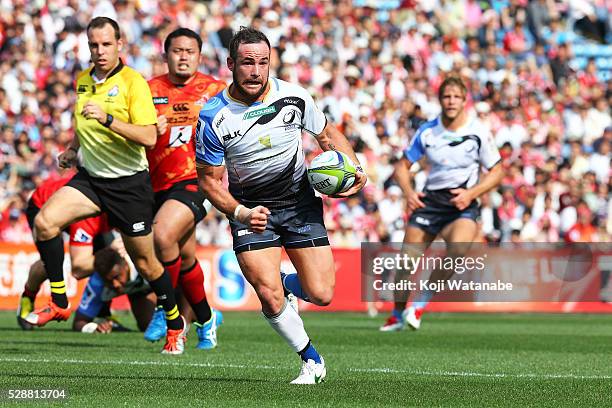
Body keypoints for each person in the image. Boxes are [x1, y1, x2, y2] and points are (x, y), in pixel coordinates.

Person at [196, 27, 366, 384]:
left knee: (321, 294)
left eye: (263, 62)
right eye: (247, 63)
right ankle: (311, 360)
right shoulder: (213, 116)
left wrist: (356, 168)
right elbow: (209, 181)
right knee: (268, 295)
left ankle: (287, 280)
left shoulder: (294, 96)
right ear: (230, 64)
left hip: (299, 202)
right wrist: (240, 213)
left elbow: (327, 134)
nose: (256, 71)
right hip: (250, 210)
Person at [25, 17, 187, 355]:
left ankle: (174, 323)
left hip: (129, 185)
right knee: (44, 223)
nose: (99, 51)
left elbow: (147, 135)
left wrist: (110, 119)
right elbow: (84, 124)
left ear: (119, 44)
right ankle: (58, 301)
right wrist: (73, 149)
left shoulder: (133, 83)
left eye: (106, 44)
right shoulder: (83, 81)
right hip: (92, 179)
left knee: (146, 264)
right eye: (94, 45)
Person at [379, 76, 503, 332]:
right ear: (440, 99)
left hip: (461, 202)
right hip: (431, 200)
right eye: (447, 96)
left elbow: (497, 171)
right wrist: (409, 193)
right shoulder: (427, 131)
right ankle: (397, 314)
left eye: (457, 96)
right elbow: (403, 166)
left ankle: (420, 304)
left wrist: (472, 193)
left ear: (465, 100)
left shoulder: (478, 130)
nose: (451, 101)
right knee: (406, 264)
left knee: (458, 250)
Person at [144, 28, 226, 349]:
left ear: (199, 56)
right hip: (157, 185)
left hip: (196, 181)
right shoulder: (148, 90)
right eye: (177, 51)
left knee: (161, 235)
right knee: (185, 256)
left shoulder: (216, 91)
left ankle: (167, 313)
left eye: (189, 51)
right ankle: (206, 319)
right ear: (166, 55)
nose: (183, 56)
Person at [17, 173, 112, 330]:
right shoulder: (89, 217)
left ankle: (104, 312)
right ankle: (28, 296)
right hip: (42, 203)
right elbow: (78, 269)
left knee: (108, 257)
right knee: (51, 263)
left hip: (76, 203)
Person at [73, 247, 156, 334]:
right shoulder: (97, 282)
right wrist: (93, 328)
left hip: (149, 288)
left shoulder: (144, 264)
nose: (115, 284)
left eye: (117, 276)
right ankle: (107, 319)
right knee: (150, 327)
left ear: (125, 265)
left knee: (154, 326)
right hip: (137, 290)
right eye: (108, 281)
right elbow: (79, 322)